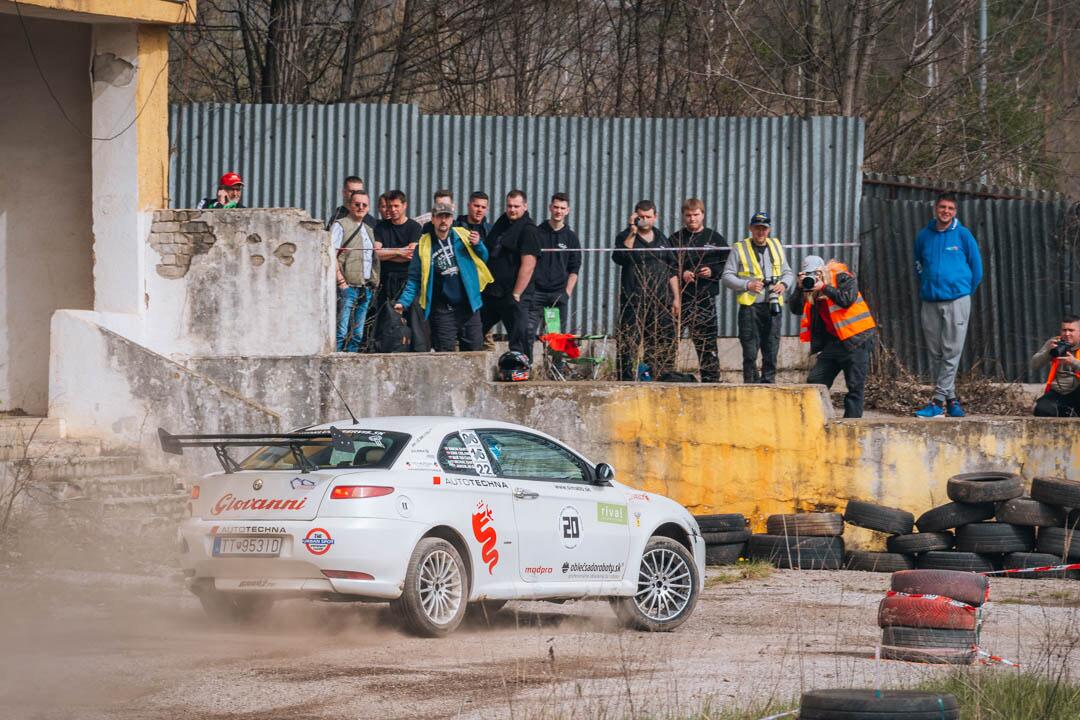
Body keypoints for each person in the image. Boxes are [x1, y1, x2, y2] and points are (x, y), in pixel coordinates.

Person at [913, 193, 983, 418]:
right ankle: (952, 402)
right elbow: (918, 264)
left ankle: (937, 402)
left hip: (957, 300)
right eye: (942, 207)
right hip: (930, 301)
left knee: (952, 352)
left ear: (955, 212)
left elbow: (977, 269)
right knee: (937, 354)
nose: (946, 211)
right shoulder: (924, 236)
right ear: (935, 208)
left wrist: (962, 293)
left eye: (950, 208)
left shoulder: (963, 235)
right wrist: (928, 284)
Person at [786, 255, 878, 418]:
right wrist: (800, 288)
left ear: (822, 271)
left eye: (815, 273)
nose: (813, 277)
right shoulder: (809, 288)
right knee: (815, 383)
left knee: (855, 387)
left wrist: (824, 287)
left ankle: (851, 427)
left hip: (856, 340)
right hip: (834, 343)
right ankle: (817, 421)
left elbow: (847, 299)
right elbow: (795, 309)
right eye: (808, 274)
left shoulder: (842, 277)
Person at [395, 203, 493, 352]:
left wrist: (478, 245)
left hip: (469, 306)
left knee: (475, 352)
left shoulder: (464, 235)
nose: (443, 220)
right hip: (443, 310)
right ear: (432, 219)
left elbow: (483, 258)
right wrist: (403, 302)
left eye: (447, 217)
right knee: (445, 354)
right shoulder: (424, 244)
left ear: (452, 219)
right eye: (439, 216)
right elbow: (414, 278)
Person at [721, 211, 792, 383]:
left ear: (769, 230)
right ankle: (750, 387)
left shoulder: (776, 245)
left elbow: (788, 273)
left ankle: (768, 387)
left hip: (773, 307)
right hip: (750, 308)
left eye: (764, 228)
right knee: (750, 354)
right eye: (757, 228)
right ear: (750, 229)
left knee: (771, 351)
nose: (761, 232)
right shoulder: (740, 248)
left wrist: (783, 285)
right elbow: (726, 276)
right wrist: (747, 285)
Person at [612, 200, 679, 381]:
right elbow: (619, 257)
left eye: (648, 217)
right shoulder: (626, 236)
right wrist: (632, 230)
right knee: (629, 343)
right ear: (635, 216)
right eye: (640, 217)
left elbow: (672, 270)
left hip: (660, 301)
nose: (644, 220)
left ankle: (658, 377)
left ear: (655, 217)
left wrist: (676, 299)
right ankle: (626, 380)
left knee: (661, 342)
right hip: (633, 300)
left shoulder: (663, 239)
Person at [669, 199, 727, 383]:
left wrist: (713, 271)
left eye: (696, 215)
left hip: (705, 298)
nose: (692, 219)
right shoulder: (675, 239)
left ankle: (711, 381)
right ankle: (666, 376)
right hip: (680, 298)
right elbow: (666, 266)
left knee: (707, 343)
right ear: (683, 217)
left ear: (703, 214)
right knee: (670, 340)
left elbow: (727, 265)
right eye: (688, 215)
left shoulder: (715, 238)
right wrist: (682, 273)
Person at [481, 190, 541, 360]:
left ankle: (522, 372)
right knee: (473, 331)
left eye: (516, 206)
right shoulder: (503, 222)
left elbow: (528, 265)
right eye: (509, 206)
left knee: (518, 339)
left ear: (525, 206)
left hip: (514, 295)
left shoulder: (529, 230)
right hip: (493, 292)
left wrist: (516, 293)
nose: (512, 209)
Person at [373, 190, 425, 348]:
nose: (392, 210)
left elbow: (410, 254)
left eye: (396, 206)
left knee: (413, 320)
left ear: (405, 206)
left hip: (407, 281)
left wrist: (388, 252)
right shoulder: (381, 227)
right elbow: (376, 254)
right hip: (386, 281)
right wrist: (398, 251)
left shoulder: (414, 227)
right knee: (385, 319)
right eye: (389, 206)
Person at [331, 191, 381, 352]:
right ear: (349, 205)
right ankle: (336, 361)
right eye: (357, 204)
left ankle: (350, 359)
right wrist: (341, 283)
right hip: (347, 286)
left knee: (358, 333)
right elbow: (330, 255)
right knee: (341, 331)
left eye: (364, 205)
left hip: (365, 287)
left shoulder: (368, 229)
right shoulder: (340, 225)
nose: (360, 207)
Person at [531, 193, 582, 339]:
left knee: (556, 339)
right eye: (556, 207)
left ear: (567, 210)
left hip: (557, 296)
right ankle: (526, 362)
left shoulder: (571, 237)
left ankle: (555, 363)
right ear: (550, 208)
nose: (558, 211)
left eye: (562, 208)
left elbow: (575, 267)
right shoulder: (537, 233)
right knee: (528, 333)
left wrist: (567, 292)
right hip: (536, 294)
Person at [1031, 315, 1080, 417]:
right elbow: (1034, 365)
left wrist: (1073, 362)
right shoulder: (1054, 343)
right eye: (1064, 330)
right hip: (1059, 392)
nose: (1067, 334)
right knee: (1040, 409)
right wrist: (1048, 352)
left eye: (1071, 330)